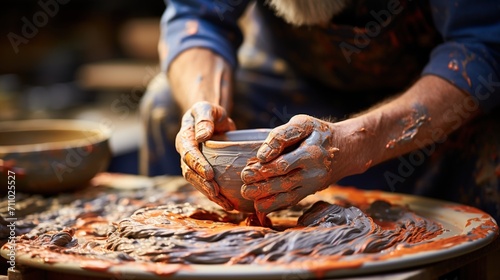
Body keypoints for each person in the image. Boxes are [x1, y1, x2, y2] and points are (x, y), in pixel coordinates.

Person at [140, 0, 500, 222]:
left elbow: (482, 47)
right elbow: (197, 18)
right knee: (164, 107)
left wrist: (357, 142)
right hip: (290, 82)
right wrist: (205, 108)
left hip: (429, 98)